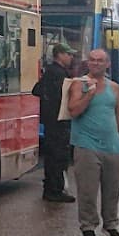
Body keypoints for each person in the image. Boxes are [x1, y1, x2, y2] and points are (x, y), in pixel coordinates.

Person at [66, 49, 119, 236]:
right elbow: (73, 111)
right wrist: (89, 94)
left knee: (112, 189)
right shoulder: (79, 85)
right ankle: (88, 226)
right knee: (87, 189)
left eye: (100, 61)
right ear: (88, 63)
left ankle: (111, 224)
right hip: (86, 146)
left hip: (113, 147)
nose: (95, 63)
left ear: (107, 65)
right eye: (92, 60)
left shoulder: (114, 88)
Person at [31, 42, 76, 202]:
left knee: (52, 155)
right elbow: (59, 95)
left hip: (51, 121)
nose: (71, 57)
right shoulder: (59, 74)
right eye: (69, 54)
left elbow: (36, 90)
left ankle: (51, 188)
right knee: (58, 156)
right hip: (58, 121)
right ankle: (55, 190)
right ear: (60, 55)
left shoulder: (50, 71)